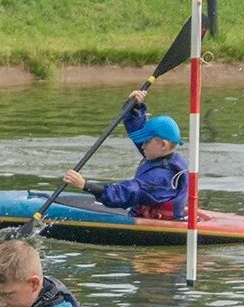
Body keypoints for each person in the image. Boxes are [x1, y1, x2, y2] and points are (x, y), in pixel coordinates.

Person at [61, 89, 188, 220]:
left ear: (163, 144)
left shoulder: (159, 178)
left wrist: (85, 185)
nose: (142, 145)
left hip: (156, 222)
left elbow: (126, 193)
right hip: (146, 212)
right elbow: (139, 132)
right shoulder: (163, 156)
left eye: (146, 141)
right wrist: (134, 107)